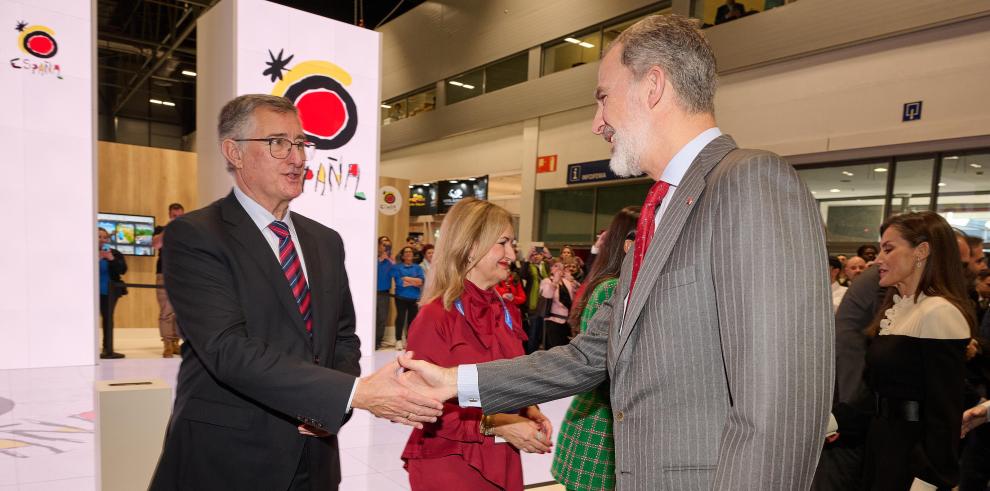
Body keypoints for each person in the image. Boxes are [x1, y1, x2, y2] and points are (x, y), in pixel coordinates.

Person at [400, 15, 832, 490]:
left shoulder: (749, 182)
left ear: (653, 86)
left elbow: (783, 404)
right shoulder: (661, 212)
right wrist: (455, 382)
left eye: (603, 97)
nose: (597, 123)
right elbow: (587, 356)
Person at [149, 94, 442, 491]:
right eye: (278, 143)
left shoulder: (324, 241)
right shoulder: (196, 235)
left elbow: (342, 336)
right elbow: (227, 349)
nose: (298, 158)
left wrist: (329, 409)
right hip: (228, 458)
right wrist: (352, 394)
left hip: (315, 457)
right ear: (234, 152)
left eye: (301, 144)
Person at [401, 198, 551, 491]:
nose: (512, 253)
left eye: (512, 244)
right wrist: (499, 424)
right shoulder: (435, 316)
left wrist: (528, 409)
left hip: (500, 454)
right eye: (503, 243)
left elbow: (510, 376)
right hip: (450, 462)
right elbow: (419, 404)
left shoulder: (505, 311)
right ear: (470, 246)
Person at [859, 211, 973, 489]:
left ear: (921, 251)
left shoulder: (939, 312)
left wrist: (929, 480)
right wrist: (833, 420)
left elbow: (944, 413)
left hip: (911, 460)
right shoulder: (897, 309)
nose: (878, 259)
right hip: (882, 446)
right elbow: (879, 394)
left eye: (888, 249)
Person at [551, 205, 639, 491]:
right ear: (629, 245)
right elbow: (603, 366)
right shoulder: (612, 289)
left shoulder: (613, 285)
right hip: (600, 433)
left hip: (602, 427)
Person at [152, 202, 184, 358]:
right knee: (166, 310)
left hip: (182, 275)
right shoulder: (160, 229)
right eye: (174, 216)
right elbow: (156, 244)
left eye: (179, 216)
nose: (176, 218)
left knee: (179, 311)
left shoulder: (187, 231)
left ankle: (176, 342)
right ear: (169, 215)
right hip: (163, 274)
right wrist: (169, 229)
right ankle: (167, 344)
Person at [98, 227, 127, 359]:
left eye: (105, 237)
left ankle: (107, 348)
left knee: (107, 319)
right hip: (89, 293)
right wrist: (98, 258)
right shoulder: (87, 251)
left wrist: (111, 259)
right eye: (99, 237)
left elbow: (123, 270)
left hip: (109, 292)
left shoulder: (115, 253)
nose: (102, 240)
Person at [391, 246, 426, 349]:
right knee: (400, 318)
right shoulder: (397, 267)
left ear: (413, 255)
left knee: (412, 320)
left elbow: (421, 282)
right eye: (406, 252)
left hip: (414, 298)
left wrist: (407, 279)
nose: (408, 253)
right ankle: (398, 340)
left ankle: (409, 340)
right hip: (400, 297)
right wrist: (414, 281)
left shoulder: (418, 268)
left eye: (410, 252)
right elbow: (400, 283)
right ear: (402, 255)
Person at [540, 260, 577, 350]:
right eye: (556, 266)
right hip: (553, 320)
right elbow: (546, 296)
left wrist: (573, 281)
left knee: (565, 348)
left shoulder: (566, 282)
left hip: (566, 322)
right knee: (554, 348)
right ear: (551, 269)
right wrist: (554, 283)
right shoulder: (546, 281)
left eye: (561, 266)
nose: (559, 268)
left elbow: (577, 295)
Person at [520, 247, 550, 354]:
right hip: (533, 304)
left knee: (542, 332)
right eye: (534, 255)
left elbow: (555, 269)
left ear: (542, 256)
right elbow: (522, 274)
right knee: (533, 332)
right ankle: (530, 354)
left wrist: (549, 255)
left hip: (546, 304)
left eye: (538, 254)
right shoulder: (529, 266)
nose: (536, 256)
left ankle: (539, 353)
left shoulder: (546, 266)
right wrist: (527, 258)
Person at [376, 236, 394, 350]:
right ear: (378, 246)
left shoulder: (391, 262)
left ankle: (377, 341)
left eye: (388, 245)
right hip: (371, 294)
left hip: (384, 294)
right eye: (383, 244)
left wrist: (390, 260)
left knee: (382, 319)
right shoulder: (373, 259)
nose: (386, 247)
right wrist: (380, 260)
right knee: (372, 317)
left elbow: (397, 273)